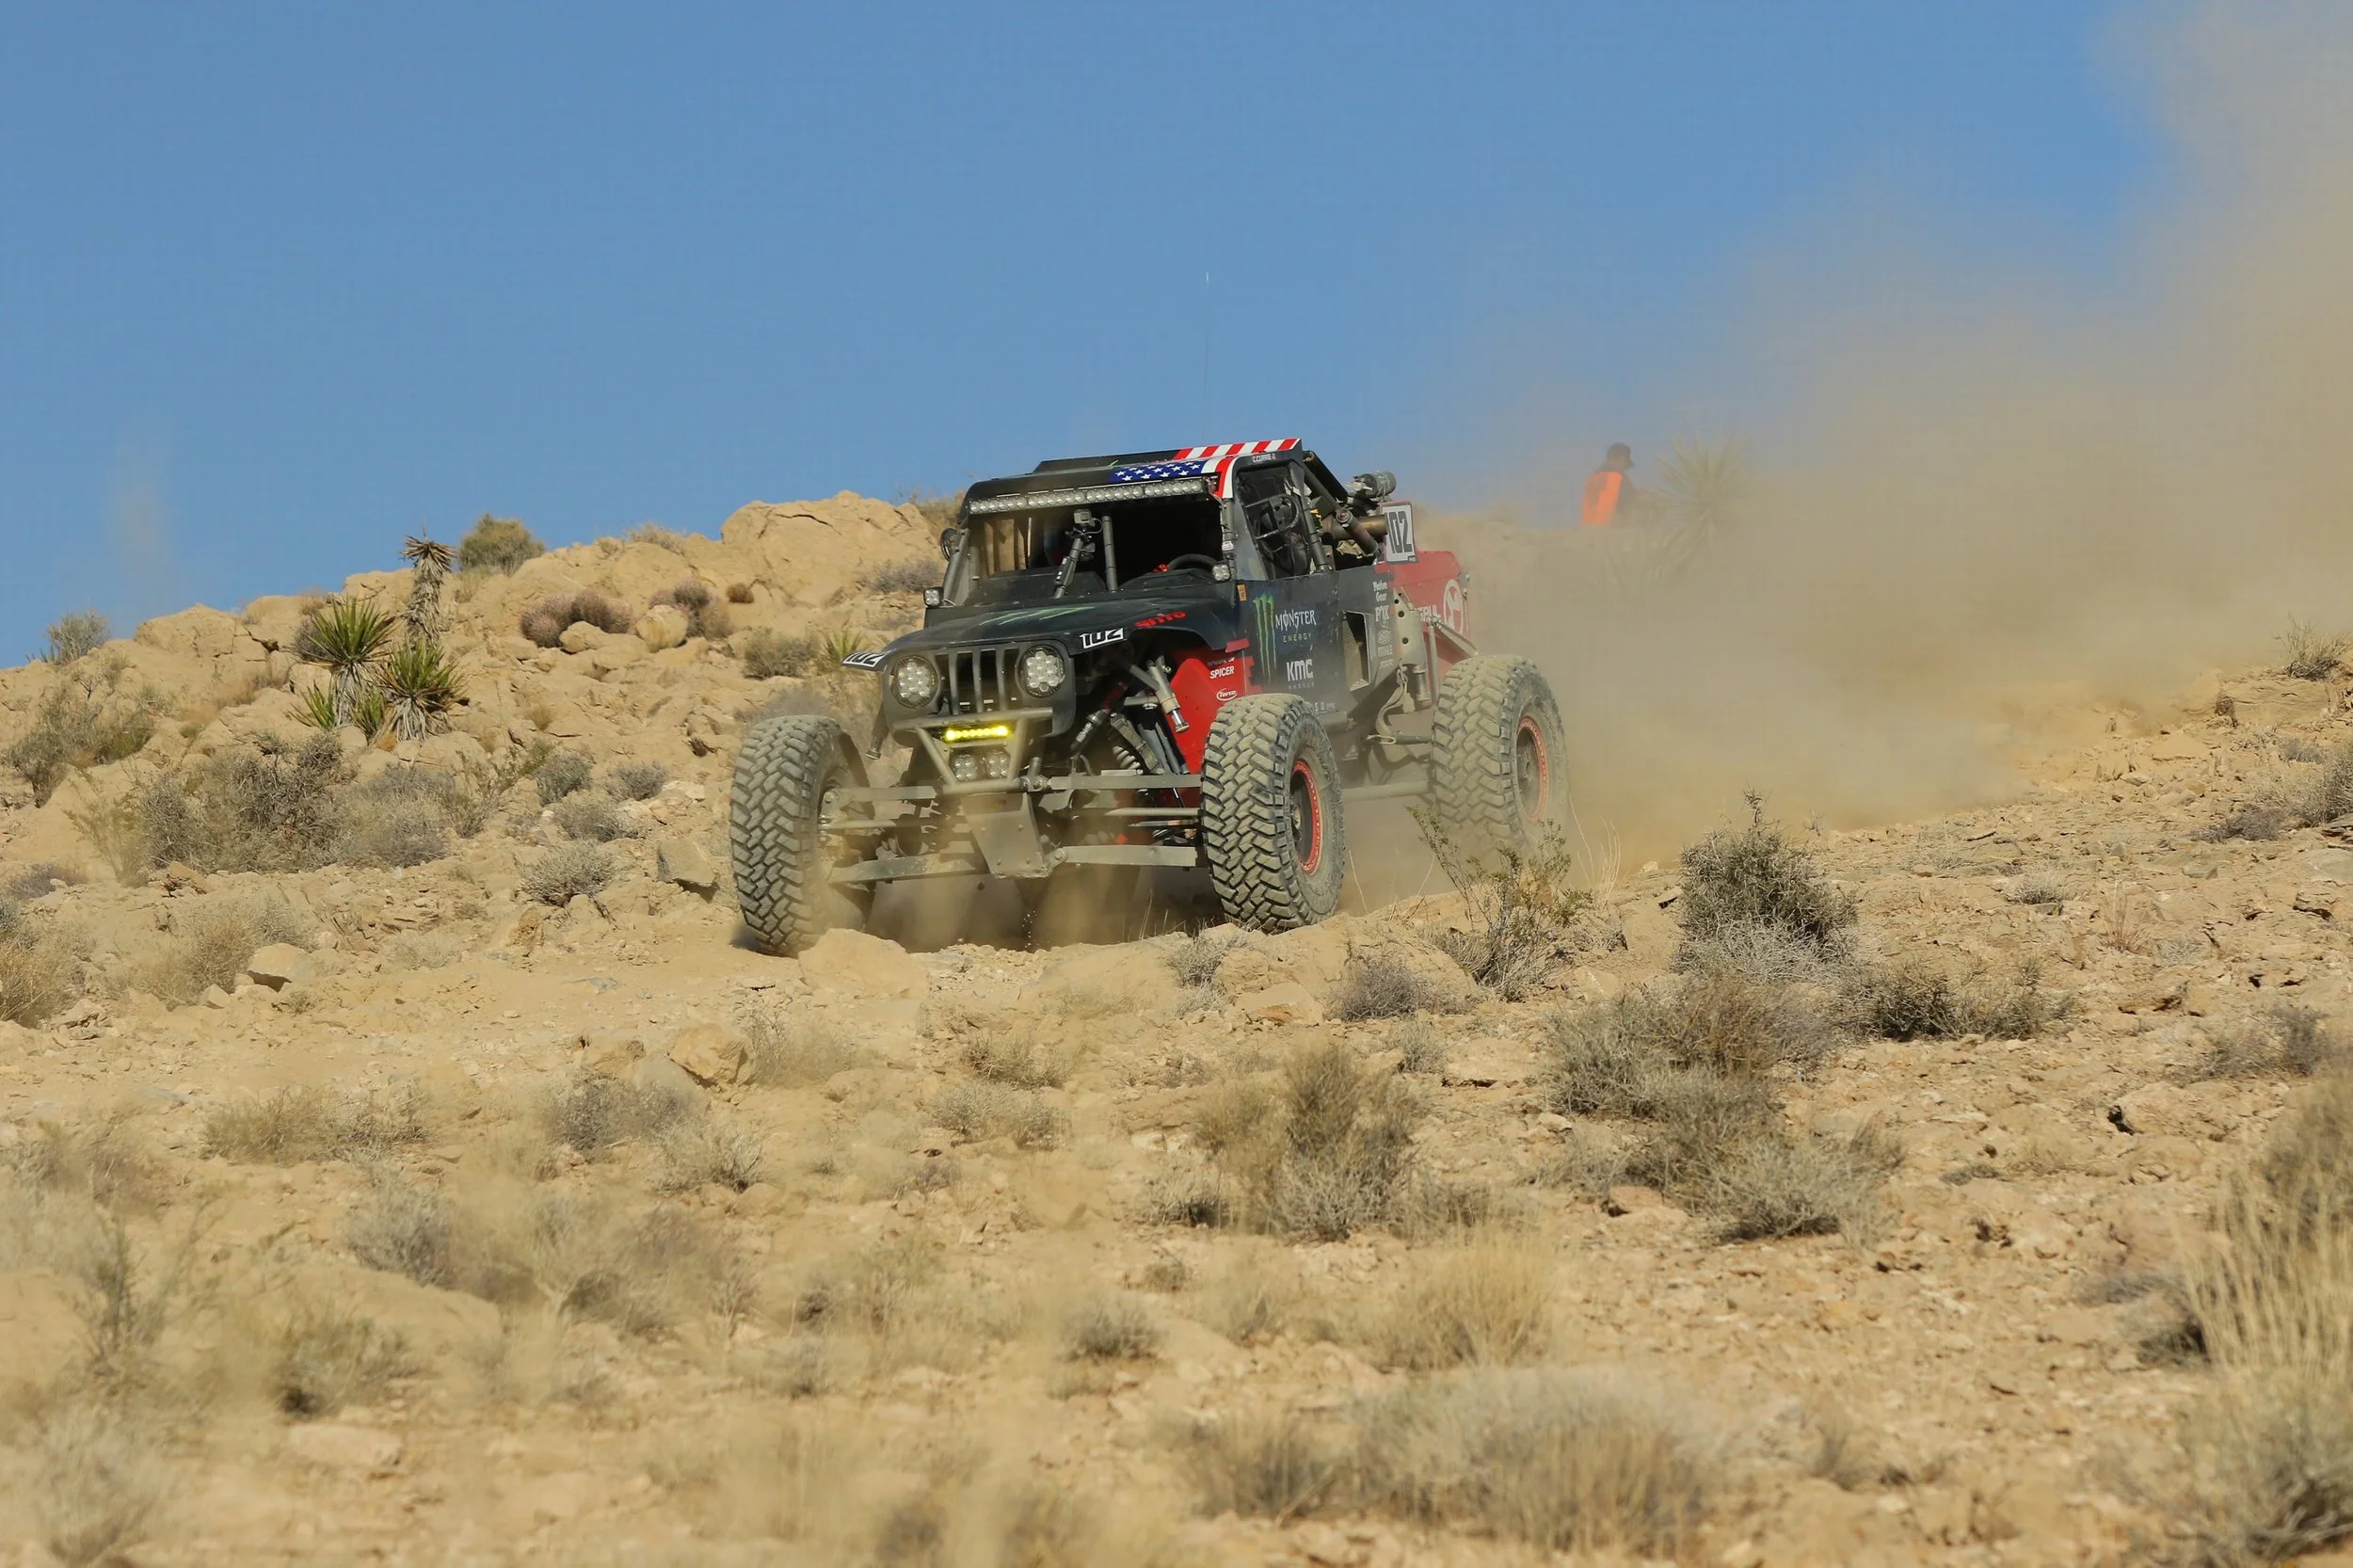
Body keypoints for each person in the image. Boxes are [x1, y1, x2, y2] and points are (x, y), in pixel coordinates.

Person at [1580, 442, 1637, 527]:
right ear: (1622, 459)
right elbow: (1632, 503)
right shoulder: (1619, 478)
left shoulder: (1592, 478)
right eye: (1626, 465)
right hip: (1609, 530)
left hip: (1587, 529)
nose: (1626, 469)